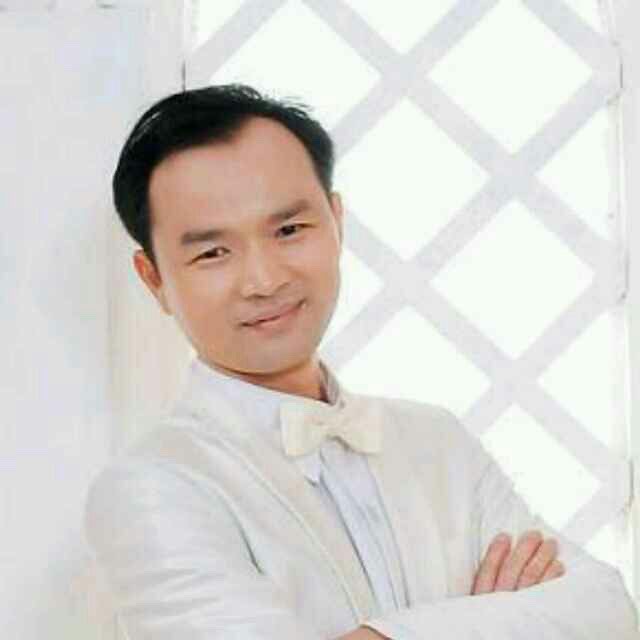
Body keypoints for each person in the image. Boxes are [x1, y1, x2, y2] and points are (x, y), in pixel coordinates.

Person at [84, 84, 639, 639]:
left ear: (337, 221)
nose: (264, 280)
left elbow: (609, 609)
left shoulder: (439, 441)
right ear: (154, 280)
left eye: (289, 230)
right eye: (213, 252)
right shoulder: (152, 487)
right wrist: (500, 621)